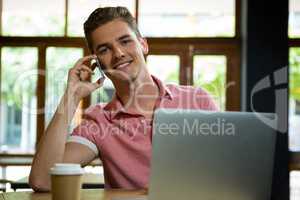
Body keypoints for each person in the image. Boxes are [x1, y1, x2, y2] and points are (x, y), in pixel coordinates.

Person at [29, 6, 218, 191]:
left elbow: (229, 169)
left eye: (125, 41)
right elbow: (42, 180)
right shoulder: (99, 121)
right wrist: (71, 97)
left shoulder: (197, 100)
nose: (118, 53)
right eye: (104, 49)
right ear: (98, 63)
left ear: (143, 44)